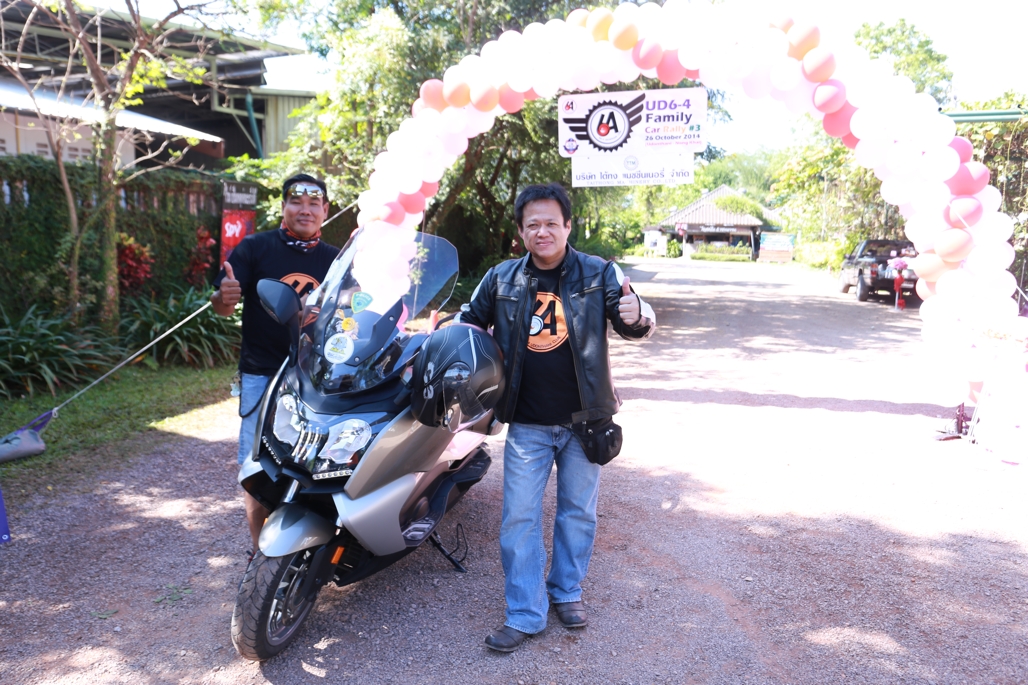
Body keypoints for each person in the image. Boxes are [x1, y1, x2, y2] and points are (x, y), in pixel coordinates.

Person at [460, 183, 656, 652]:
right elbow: (468, 323)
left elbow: (632, 322)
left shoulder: (599, 272)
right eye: (533, 224)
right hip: (527, 422)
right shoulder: (501, 278)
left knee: (577, 513)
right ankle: (525, 613)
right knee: (519, 519)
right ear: (521, 232)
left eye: (552, 223)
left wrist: (639, 314)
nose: (542, 231)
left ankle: (566, 591)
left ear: (568, 226)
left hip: (585, 422)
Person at [211, 173, 340, 554]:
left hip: (316, 377)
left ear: (325, 210)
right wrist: (224, 297)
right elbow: (222, 306)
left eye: (314, 203)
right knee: (256, 465)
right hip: (262, 372)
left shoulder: (336, 260)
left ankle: (305, 542)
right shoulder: (255, 248)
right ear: (283, 207)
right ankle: (260, 552)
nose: (305, 210)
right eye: (296, 202)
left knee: (313, 460)